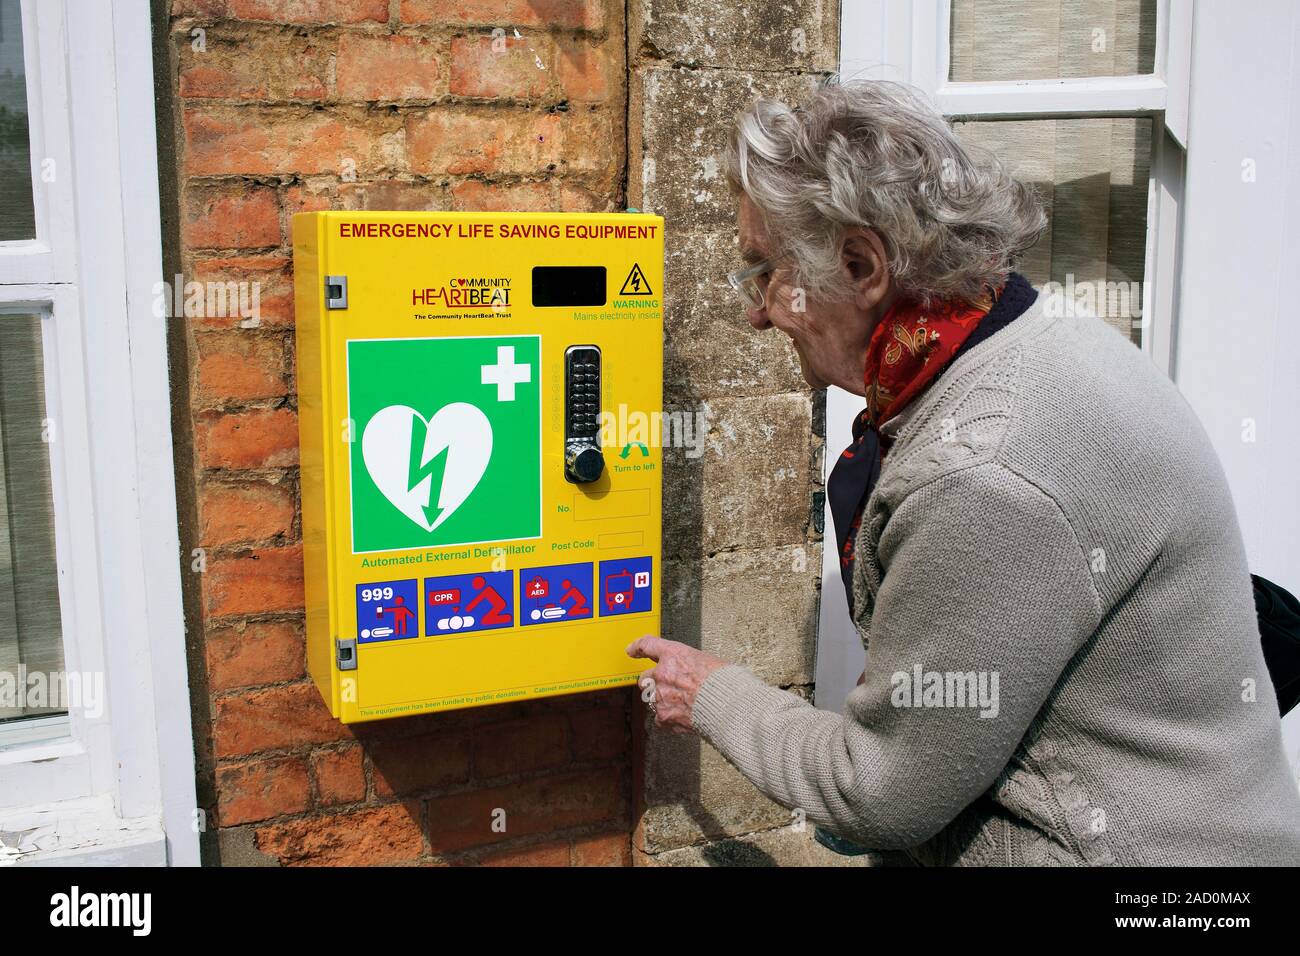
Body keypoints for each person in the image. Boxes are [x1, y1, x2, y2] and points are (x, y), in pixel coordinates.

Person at [626, 78, 1300, 865]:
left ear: (859, 264)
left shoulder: (981, 472)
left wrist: (712, 694)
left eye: (764, 274)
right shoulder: (1031, 339)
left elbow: (877, 789)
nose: (755, 312)